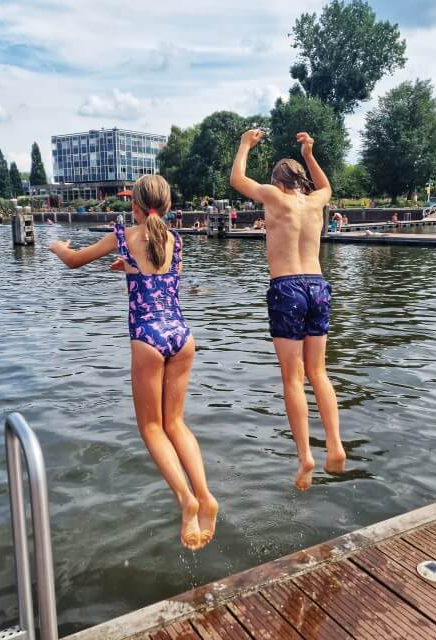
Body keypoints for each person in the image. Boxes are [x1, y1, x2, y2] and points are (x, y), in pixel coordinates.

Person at [48, 175, 218, 550]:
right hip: (182, 336)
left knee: (151, 428)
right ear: (169, 207)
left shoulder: (124, 235)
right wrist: (130, 270)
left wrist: (59, 247)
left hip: (148, 340)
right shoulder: (176, 240)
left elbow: (76, 262)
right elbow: (161, 280)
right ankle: (205, 495)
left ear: (134, 207)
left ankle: (185, 500)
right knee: (176, 423)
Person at [230, 129, 346, 491]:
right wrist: (310, 153)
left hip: (287, 288)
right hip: (318, 285)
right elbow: (325, 186)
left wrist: (245, 145)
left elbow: (236, 179)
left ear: (278, 181)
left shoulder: (272, 197)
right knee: (319, 373)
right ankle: (335, 444)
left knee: (293, 379)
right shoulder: (317, 202)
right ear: (302, 180)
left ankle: (305, 456)